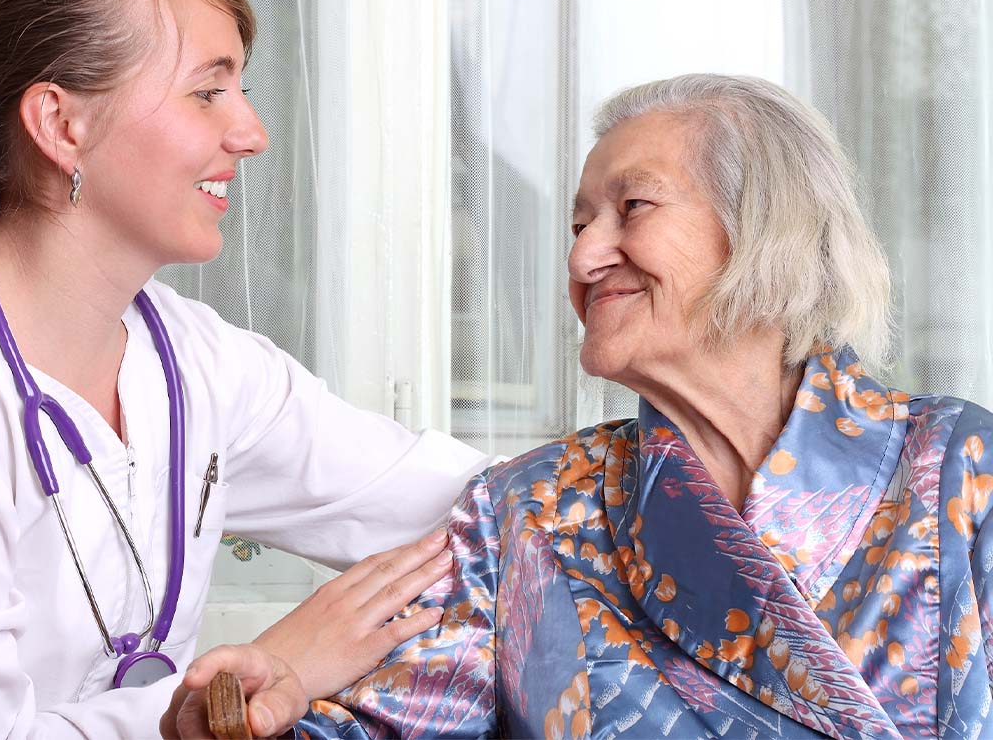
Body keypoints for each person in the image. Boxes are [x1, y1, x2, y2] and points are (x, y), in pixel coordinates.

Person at [0, 0, 489, 739]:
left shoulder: (188, 358)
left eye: (244, 89)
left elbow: (449, 505)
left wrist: (671, 414)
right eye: (207, 91)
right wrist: (241, 689)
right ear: (60, 123)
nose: (252, 133)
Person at [291, 74, 993, 740]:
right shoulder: (529, 511)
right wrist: (253, 714)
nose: (583, 258)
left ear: (763, 227)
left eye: (632, 208)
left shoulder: (957, 467)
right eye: (578, 226)